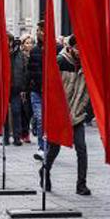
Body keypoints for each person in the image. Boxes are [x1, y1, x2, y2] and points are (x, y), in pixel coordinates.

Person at [41, 35, 91, 196]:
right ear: (71, 47)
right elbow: (50, 87)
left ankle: (81, 184)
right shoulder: (60, 61)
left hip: (77, 112)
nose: (81, 52)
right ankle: (45, 170)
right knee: (54, 147)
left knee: (81, 148)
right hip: (60, 113)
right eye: (78, 49)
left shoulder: (86, 64)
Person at [27, 21, 46, 160]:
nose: (39, 32)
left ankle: (49, 146)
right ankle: (41, 147)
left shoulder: (56, 49)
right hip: (37, 91)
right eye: (38, 30)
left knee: (48, 121)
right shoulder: (34, 51)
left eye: (42, 30)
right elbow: (31, 71)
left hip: (51, 93)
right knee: (40, 118)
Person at [7, 35, 28, 146]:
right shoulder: (1, 53)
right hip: (5, 88)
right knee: (5, 113)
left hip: (16, 87)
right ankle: (6, 137)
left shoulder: (20, 55)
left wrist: (23, 87)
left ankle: (17, 137)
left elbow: (25, 71)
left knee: (16, 112)